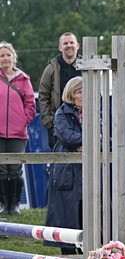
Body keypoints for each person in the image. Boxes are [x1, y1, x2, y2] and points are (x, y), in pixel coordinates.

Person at [44, 77, 84, 248]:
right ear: (71, 94)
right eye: (79, 91)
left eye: (85, 91)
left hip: (88, 170)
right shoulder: (61, 113)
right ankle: (67, 253)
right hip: (67, 170)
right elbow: (68, 138)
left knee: (87, 211)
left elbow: (108, 138)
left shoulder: (98, 111)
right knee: (67, 213)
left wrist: (86, 143)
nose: (83, 95)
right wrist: (91, 140)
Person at [0, 43, 37, 214]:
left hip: (18, 132)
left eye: (8, 55)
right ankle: (3, 205)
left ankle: (14, 206)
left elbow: (30, 103)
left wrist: (24, 121)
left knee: (15, 168)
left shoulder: (24, 79)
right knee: (0, 168)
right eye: (2, 56)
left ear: (13, 57)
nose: (5, 58)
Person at [37, 32, 81, 147]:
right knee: (59, 161)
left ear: (78, 45)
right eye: (65, 43)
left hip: (82, 121)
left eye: (72, 42)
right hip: (59, 123)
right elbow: (43, 95)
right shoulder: (51, 68)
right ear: (60, 47)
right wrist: (49, 122)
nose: (69, 45)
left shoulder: (86, 67)